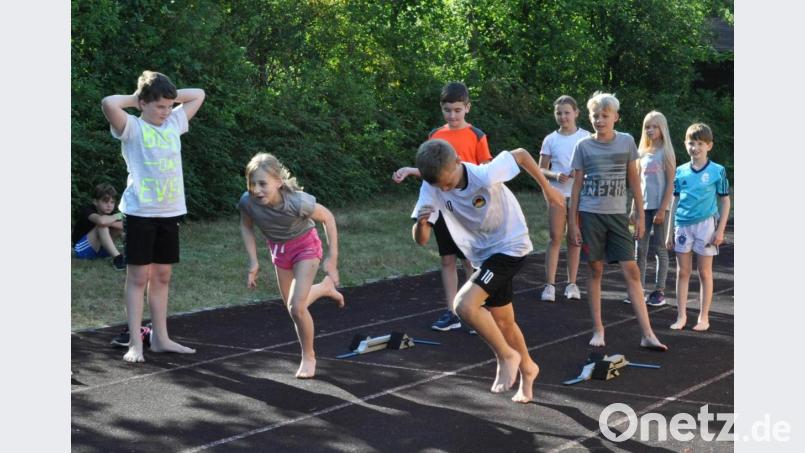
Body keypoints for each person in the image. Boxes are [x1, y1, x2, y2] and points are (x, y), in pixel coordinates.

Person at [411, 138, 565, 403]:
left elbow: (521, 154)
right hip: (484, 255)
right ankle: (528, 368)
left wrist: (548, 189)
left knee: (464, 305)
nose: (446, 189)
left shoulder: (485, 173)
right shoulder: (431, 186)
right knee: (504, 320)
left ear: (458, 161)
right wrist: (422, 224)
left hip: (510, 245)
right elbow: (421, 239)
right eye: (441, 186)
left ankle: (506, 356)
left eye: (449, 182)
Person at [101, 70, 205, 362]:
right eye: (159, 106)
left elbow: (199, 93)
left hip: (169, 213)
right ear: (143, 103)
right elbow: (109, 103)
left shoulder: (174, 122)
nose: (166, 111)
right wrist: (138, 98)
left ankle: (160, 338)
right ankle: (136, 342)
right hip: (140, 214)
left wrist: (166, 97)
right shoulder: (132, 127)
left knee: (162, 276)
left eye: (169, 106)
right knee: (138, 278)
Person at [567, 92, 667, 351]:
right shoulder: (583, 146)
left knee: (631, 270)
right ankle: (598, 328)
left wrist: (640, 215)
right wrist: (573, 223)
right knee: (595, 270)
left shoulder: (626, 142)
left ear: (615, 117)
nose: (599, 120)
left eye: (604, 116)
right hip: (590, 216)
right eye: (595, 116)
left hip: (618, 217)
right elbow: (576, 187)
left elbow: (634, 179)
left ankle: (647, 333)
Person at [393, 82, 491, 332]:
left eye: (458, 110)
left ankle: (473, 308)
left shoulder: (477, 135)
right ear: (442, 109)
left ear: (467, 108)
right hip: (443, 204)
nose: (453, 115)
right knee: (447, 258)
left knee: (470, 258)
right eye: (448, 110)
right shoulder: (435, 135)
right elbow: (432, 171)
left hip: (468, 206)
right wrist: (411, 171)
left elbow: (486, 172)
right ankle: (451, 311)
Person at [239, 152, 345, 378]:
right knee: (292, 307)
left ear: (278, 182)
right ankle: (325, 288)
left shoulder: (297, 201)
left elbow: (327, 218)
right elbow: (246, 226)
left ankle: (309, 357)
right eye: (252, 183)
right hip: (279, 250)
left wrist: (332, 256)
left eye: (263, 184)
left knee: (297, 307)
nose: (256, 190)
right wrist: (253, 261)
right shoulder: (247, 201)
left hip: (305, 246)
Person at [665, 123, 730, 332]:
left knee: (704, 272)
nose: (695, 147)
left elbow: (725, 201)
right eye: (691, 143)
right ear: (685, 144)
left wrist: (720, 230)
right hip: (682, 226)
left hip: (706, 226)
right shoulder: (681, 171)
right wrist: (669, 231)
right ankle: (681, 315)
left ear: (709, 146)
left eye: (700, 143)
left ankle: (703, 317)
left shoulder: (717, 171)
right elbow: (674, 202)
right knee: (682, 272)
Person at [537, 95, 589, 302]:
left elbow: (592, 165)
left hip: (578, 195)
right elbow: (540, 169)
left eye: (567, 112)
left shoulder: (586, 137)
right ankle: (549, 285)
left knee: (574, 239)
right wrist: (555, 175)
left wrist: (580, 173)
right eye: (559, 113)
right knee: (555, 237)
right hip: (557, 194)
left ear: (576, 113)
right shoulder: (551, 139)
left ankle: (572, 284)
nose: (563, 117)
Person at [624, 111, 676, 307]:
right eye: (647, 126)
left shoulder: (666, 152)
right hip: (643, 207)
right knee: (640, 249)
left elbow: (671, 183)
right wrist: (633, 209)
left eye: (654, 126)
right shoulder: (641, 153)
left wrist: (663, 209)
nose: (650, 130)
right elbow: (637, 183)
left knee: (659, 249)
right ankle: (638, 289)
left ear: (662, 129)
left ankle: (659, 290)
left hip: (661, 207)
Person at [72, 182, 126, 270]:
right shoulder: (88, 210)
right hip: (82, 250)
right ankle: (118, 259)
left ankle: (133, 254)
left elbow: (123, 226)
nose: (109, 205)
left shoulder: (110, 214)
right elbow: (101, 221)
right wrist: (117, 216)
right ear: (95, 202)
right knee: (102, 226)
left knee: (116, 227)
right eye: (105, 201)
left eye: (112, 202)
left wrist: (111, 222)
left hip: (101, 251)